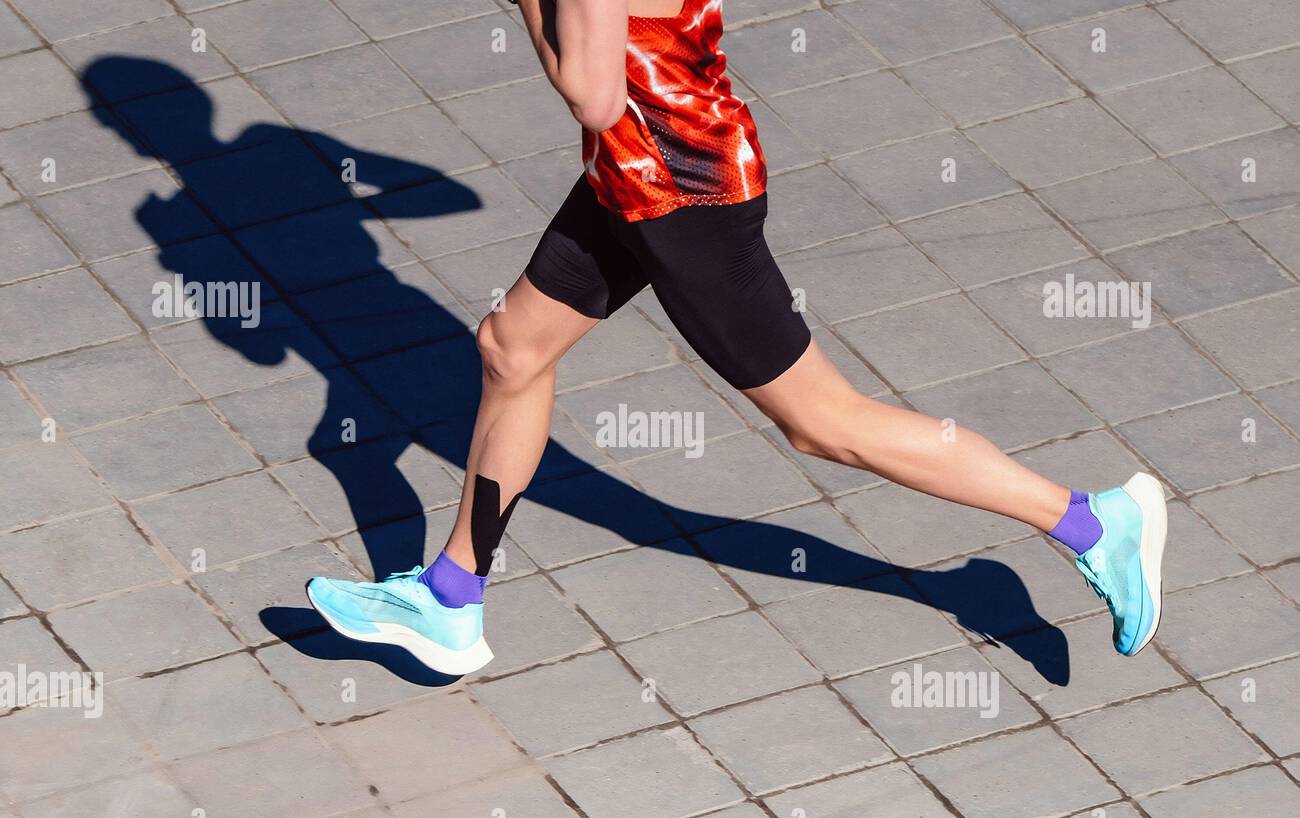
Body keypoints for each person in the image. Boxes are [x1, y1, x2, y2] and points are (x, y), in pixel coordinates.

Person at [307, 0, 1167, 675]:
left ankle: (1094, 525)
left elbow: (595, 94)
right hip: (637, 174)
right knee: (510, 348)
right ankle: (451, 599)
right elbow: (451, 188)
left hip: (683, 199)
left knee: (824, 423)